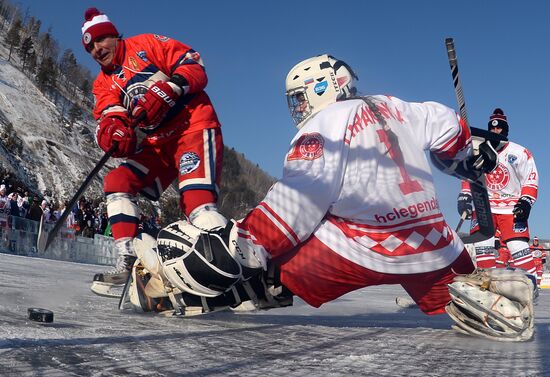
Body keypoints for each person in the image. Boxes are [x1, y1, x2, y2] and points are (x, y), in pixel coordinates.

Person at [129, 54, 535, 341]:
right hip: (432, 245)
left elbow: (301, 200)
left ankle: (188, 291)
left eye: (301, 95)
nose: (299, 106)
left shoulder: (324, 124)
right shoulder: (397, 106)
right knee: (459, 291)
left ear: (325, 87)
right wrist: (471, 152)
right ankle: (484, 293)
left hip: (354, 247)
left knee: (269, 272)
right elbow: (449, 126)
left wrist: (246, 242)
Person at [81, 8, 226, 296]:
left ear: (114, 35)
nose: (97, 50)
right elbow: (109, 116)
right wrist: (114, 134)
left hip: (192, 128)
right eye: (91, 48)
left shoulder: (147, 44)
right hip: (157, 144)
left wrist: (170, 88)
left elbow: (194, 64)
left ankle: (218, 268)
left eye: (101, 41)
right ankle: (130, 261)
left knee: (198, 204)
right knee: (117, 182)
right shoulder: (102, 83)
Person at [457, 108, 539, 277]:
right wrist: (465, 196)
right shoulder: (478, 150)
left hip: (511, 207)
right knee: (482, 245)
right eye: (493, 128)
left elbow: (530, 179)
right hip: (484, 205)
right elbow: (469, 174)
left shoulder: (519, 152)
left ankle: (531, 286)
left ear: (505, 130)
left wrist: (525, 202)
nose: (495, 131)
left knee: (518, 248)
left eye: (499, 128)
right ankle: (487, 287)